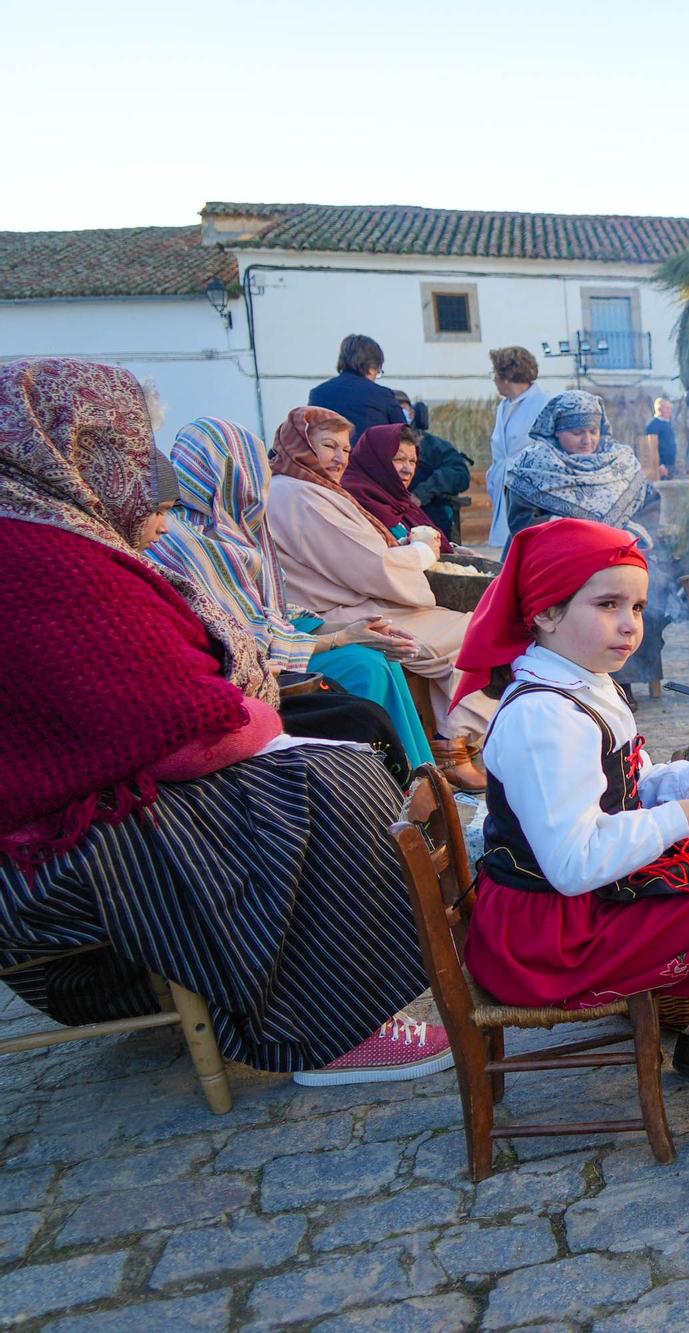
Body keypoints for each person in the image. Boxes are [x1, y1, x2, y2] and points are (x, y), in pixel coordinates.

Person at [0, 357, 452, 1085]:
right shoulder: (46, 560)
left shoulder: (45, 539)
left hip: (58, 810)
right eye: (131, 448)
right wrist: (262, 721)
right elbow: (181, 724)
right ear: (81, 450)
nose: (148, 471)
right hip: (51, 850)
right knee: (328, 782)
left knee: (336, 740)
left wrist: (254, 707)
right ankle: (327, 1029)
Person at [455, 517, 689, 1166]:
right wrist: (685, 816)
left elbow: (624, 786)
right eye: (607, 605)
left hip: (582, 902)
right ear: (544, 612)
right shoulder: (545, 717)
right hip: (552, 937)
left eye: (634, 605)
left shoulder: (583, 684)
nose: (630, 623)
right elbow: (574, 863)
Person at [149, 416, 436, 777]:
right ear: (230, 472)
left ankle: (418, 775)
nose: (258, 483)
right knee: (367, 664)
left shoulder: (238, 526)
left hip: (278, 641)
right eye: (329, 446)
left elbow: (272, 608)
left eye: (345, 448)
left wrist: (348, 627)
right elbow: (238, 637)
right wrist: (341, 637)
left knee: (380, 652)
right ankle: (379, 781)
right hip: (233, 672)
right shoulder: (181, 537)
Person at [264, 406, 497, 790]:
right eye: (328, 446)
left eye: (344, 448)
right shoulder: (299, 495)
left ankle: (458, 742)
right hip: (344, 609)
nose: (339, 457)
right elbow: (375, 567)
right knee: (476, 631)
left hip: (358, 599)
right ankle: (452, 746)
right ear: (299, 444)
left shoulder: (313, 488)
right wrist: (422, 550)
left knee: (471, 627)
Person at [504, 391, 666, 694]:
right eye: (576, 432)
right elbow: (522, 522)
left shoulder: (620, 461)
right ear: (556, 430)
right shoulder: (535, 464)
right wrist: (566, 538)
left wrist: (636, 532)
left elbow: (649, 504)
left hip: (619, 556)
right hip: (558, 563)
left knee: (636, 601)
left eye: (593, 431)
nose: (587, 440)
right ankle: (566, 677)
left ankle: (622, 682)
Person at [346, 423, 456, 552]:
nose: (408, 469)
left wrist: (455, 550)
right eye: (399, 459)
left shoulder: (401, 504)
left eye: (412, 461)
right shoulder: (356, 501)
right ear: (375, 462)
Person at [486, 346, 550, 550]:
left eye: (494, 373)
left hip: (528, 493)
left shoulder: (544, 403)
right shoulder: (503, 406)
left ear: (506, 376)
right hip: (503, 486)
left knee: (523, 546)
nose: (494, 379)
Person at [393, 390, 474, 541]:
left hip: (429, 519)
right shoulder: (375, 446)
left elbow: (459, 473)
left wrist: (423, 493)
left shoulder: (432, 446)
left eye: (404, 409)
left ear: (414, 413)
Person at [306, 334, 403, 438]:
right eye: (378, 371)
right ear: (372, 366)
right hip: (368, 454)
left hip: (328, 453)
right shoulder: (383, 395)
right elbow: (405, 437)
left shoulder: (317, 394)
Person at [642, 395, 678, 477]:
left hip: (670, 465)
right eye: (667, 408)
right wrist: (660, 466)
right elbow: (651, 448)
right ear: (659, 409)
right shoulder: (653, 425)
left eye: (670, 408)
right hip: (660, 468)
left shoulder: (668, 423)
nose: (670, 411)